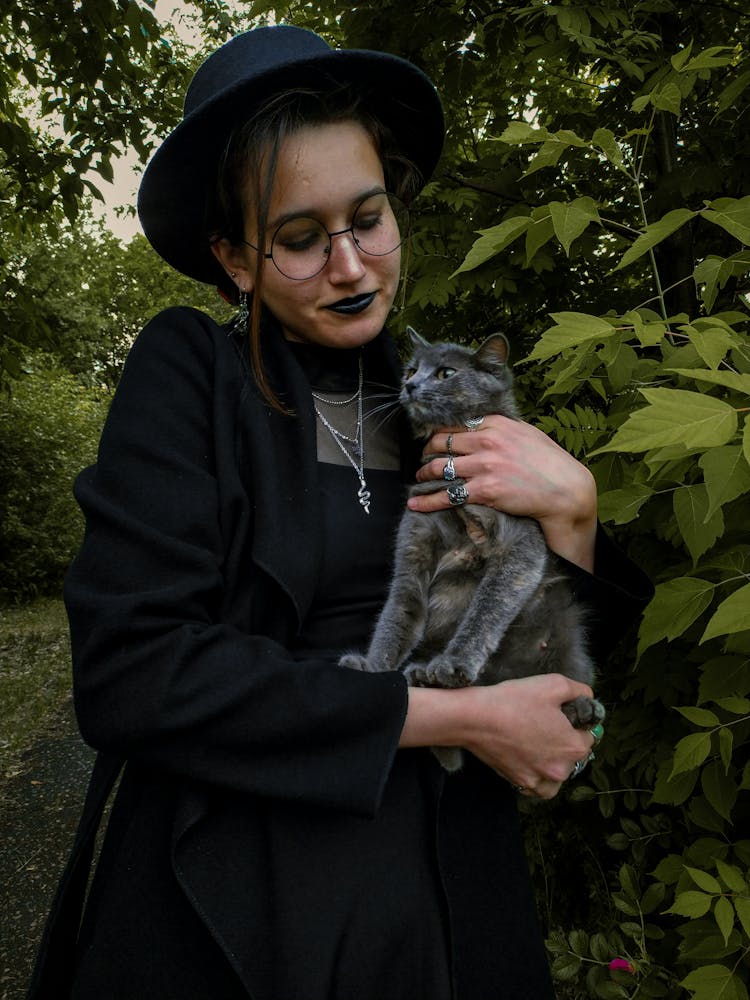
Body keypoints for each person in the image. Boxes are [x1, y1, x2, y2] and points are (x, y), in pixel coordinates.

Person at [29, 23, 652, 1000]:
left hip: (447, 899)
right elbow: (133, 669)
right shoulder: (191, 374)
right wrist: (444, 712)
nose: (353, 266)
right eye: (301, 238)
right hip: (239, 901)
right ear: (235, 257)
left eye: (368, 218)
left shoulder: (427, 399)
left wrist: (573, 511)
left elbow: (549, 690)